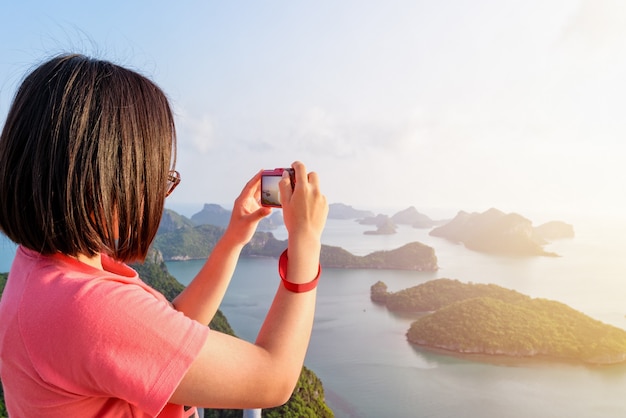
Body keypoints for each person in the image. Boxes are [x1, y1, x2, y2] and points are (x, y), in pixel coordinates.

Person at [0, 54, 328, 417]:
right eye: (158, 178)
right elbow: (273, 378)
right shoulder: (87, 309)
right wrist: (306, 243)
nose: (158, 195)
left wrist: (235, 236)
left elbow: (168, 327)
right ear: (104, 182)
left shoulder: (42, 270)